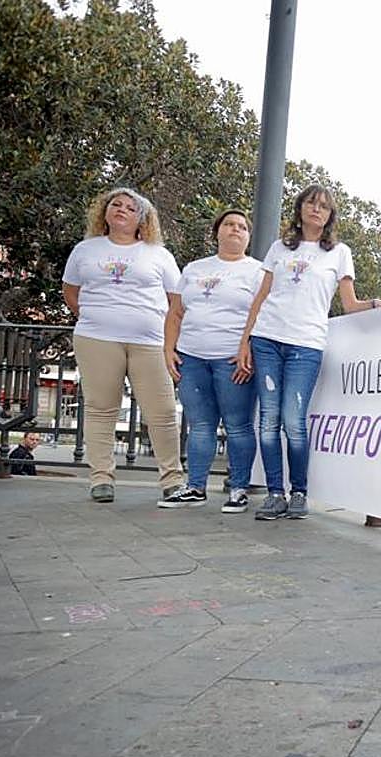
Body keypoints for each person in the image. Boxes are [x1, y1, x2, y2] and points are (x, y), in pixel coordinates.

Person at [236, 185, 381, 521]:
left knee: (294, 419)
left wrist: (376, 305)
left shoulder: (339, 252)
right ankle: (275, 493)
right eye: (310, 203)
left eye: (323, 206)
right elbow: (260, 298)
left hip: (306, 344)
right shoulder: (279, 248)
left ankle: (299, 491)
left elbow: (349, 304)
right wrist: (245, 341)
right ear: (300, 208)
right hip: (267, 339)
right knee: (268, 420)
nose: (316, 209)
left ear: (330, 215)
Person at [61, 187, 185, 503]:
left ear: (142, 219)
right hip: (96, 339)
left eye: (130, 208)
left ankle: (172, 479)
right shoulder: (85, 250)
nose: (121, 209)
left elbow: (177, 300)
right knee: (101, 409)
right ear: (104, 212)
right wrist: (97, 316)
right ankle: (101, 479)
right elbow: (71, 292)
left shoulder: (159, 254)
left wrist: (169, 339)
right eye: (115, 204)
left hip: (150, 341)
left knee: (163, 411)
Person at [160, 209, 261, 513]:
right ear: (217, 231)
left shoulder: (257, 271)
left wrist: (249, 349)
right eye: (229, 224)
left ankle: (239, 488)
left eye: (242, 227)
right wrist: (168, 349)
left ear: (248, 236)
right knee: (200, 425)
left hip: (232, 359)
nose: (235, 229)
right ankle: (195, 487)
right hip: (191, 358)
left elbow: (261, 316)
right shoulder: (193, 269)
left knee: (238, 426)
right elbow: (176, 312)